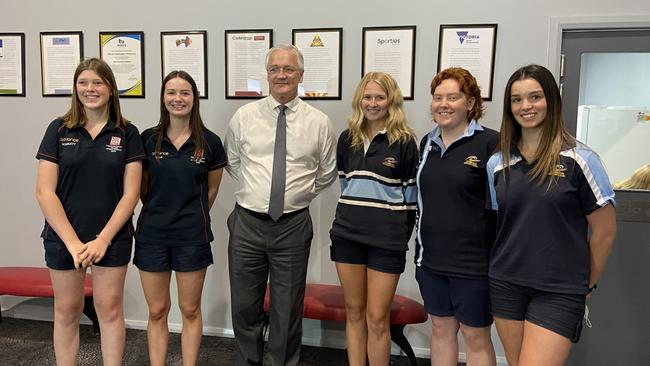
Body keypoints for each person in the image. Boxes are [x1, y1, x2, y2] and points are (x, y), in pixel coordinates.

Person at [486, 64, 617, 366]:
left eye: (535, 97)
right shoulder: (497, 163)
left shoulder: (581, 159)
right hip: (506, 283)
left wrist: (587, 285)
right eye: (517, 99)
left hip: (559, 289)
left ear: (551, 101)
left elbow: (605, 232)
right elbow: (500, 224)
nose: (525, 106)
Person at [224, 44, 337, 366]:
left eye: (288, 69)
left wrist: (296, 196)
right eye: (275, 69)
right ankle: (249, 361)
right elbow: (233, 161)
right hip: (247, 222)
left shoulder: (319, 122)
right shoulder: (244, 116)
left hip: (292, 224)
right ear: (267, 75)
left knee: (287, 307)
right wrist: (255, 192)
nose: (281, 75)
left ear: (301, 75)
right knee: (245, 304)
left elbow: (326, 172)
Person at [35, 58, 144, 366]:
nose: (90, 89)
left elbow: (131, 194)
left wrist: (102, 240)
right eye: (83, 82)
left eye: (97, 82)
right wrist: (72, 243)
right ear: (75, 88)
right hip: (63, 238)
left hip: (111, 237)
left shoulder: (127, 132)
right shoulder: (58, 129)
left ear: (110, 88)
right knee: (67, 311)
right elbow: (45, 191)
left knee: (109, 310)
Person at [134, 70, 227, 366]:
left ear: (194, 98)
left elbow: (210, 191)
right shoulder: (147, 139)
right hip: (152, 236)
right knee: (157, 310)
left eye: (184, 93)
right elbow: (142, 189)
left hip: (192, 237)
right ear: (163, 98)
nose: (178, 99)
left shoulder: (210, 142)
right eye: (171, 92)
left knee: (190, 310)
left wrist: (188, 215)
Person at [329, 72, 418, 366]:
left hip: (386, 241)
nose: (373, 103)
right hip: (347, 237)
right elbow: (346, 186)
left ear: (391, 101)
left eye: (380, 97)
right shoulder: (347, 139)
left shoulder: (405, 142)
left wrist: (394, 234)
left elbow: (410, 199)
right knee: (354, 313)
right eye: (368, 97)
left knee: (377, 318)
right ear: (359, 100)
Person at [415, 68, 498, 366]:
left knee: (475, 337)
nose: (443, 104)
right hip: (430, 260)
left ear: (471, 103)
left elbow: (502, 208)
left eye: (453, 97)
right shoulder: (426, 143)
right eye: (438, 98)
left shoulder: (491, 144)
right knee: (440, 329)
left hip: (473, 264)